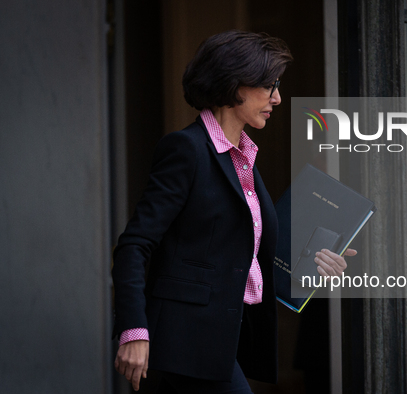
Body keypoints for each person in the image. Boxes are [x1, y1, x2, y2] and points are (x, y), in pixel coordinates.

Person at [111, 30, 356, 393]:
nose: (278, 98)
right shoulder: (186, 150)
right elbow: (134, 244)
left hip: (228, 341)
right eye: (269, 86)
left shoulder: (245, 160)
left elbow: (245, 256)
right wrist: (133, 329)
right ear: (234, 85)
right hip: (186, 342)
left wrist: (316, 262)